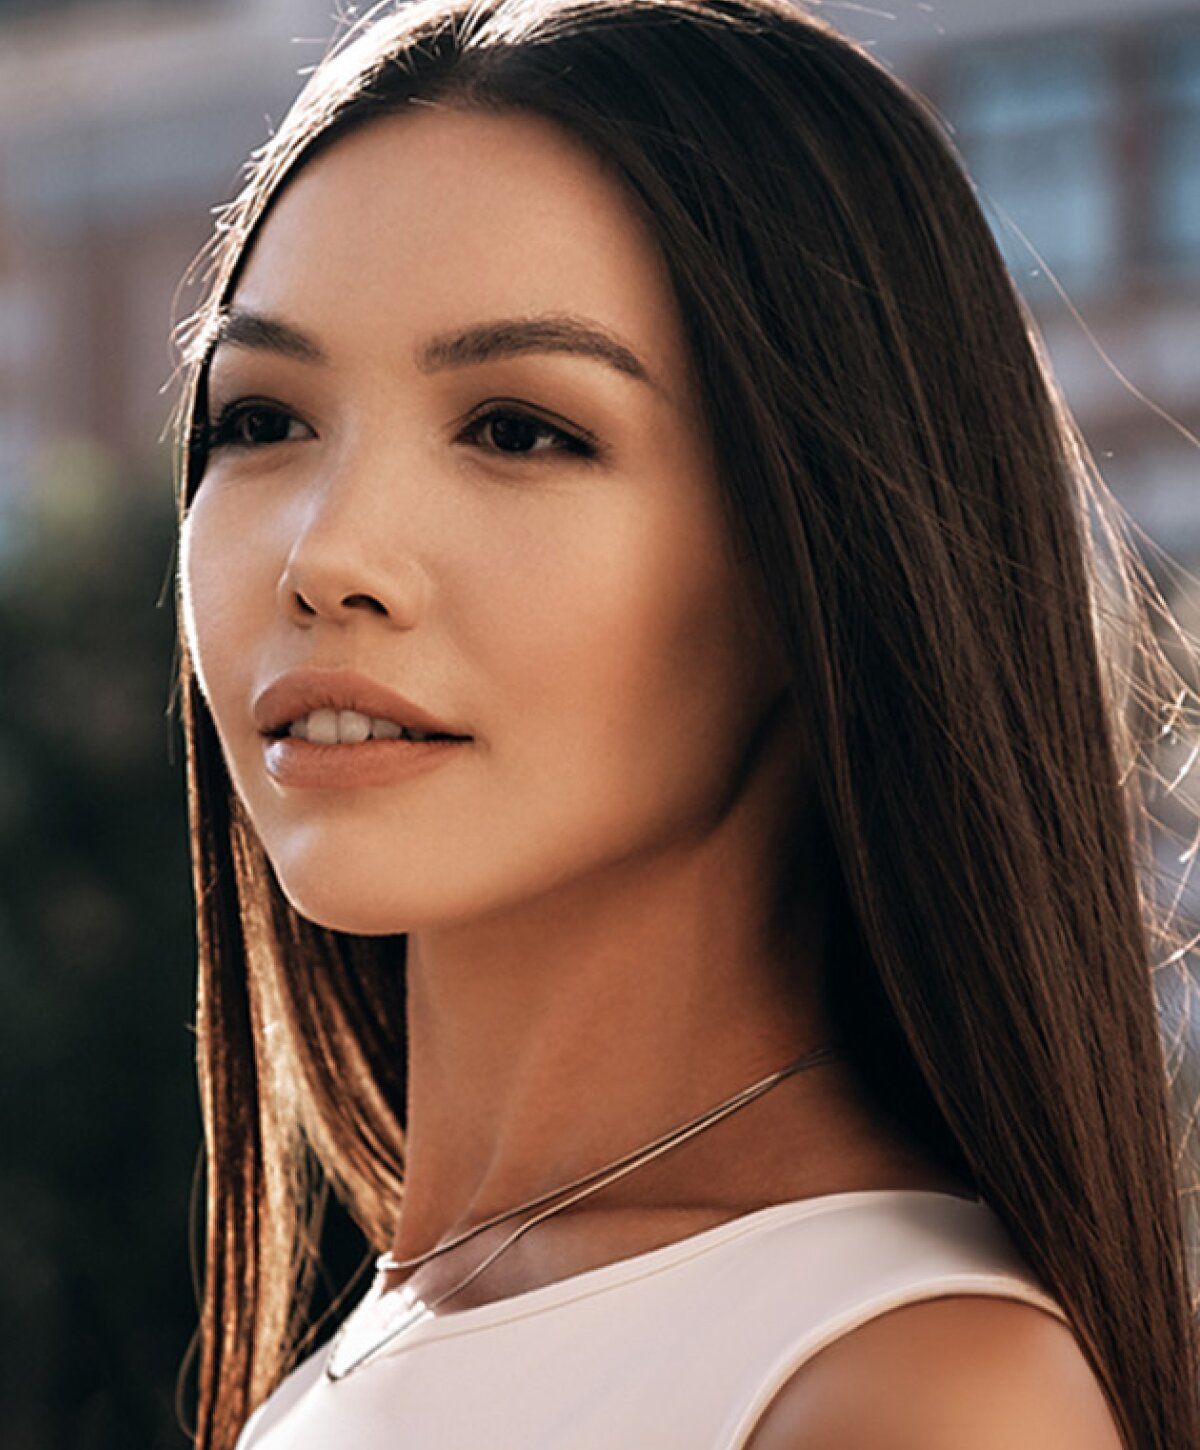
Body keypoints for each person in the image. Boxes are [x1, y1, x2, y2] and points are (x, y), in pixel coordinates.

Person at [168, 0, 1200, 1446]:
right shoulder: (409, 1318)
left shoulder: (911, 1391)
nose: (325, 555)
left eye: (521, 429)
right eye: (263, 418)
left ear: (814, 561)